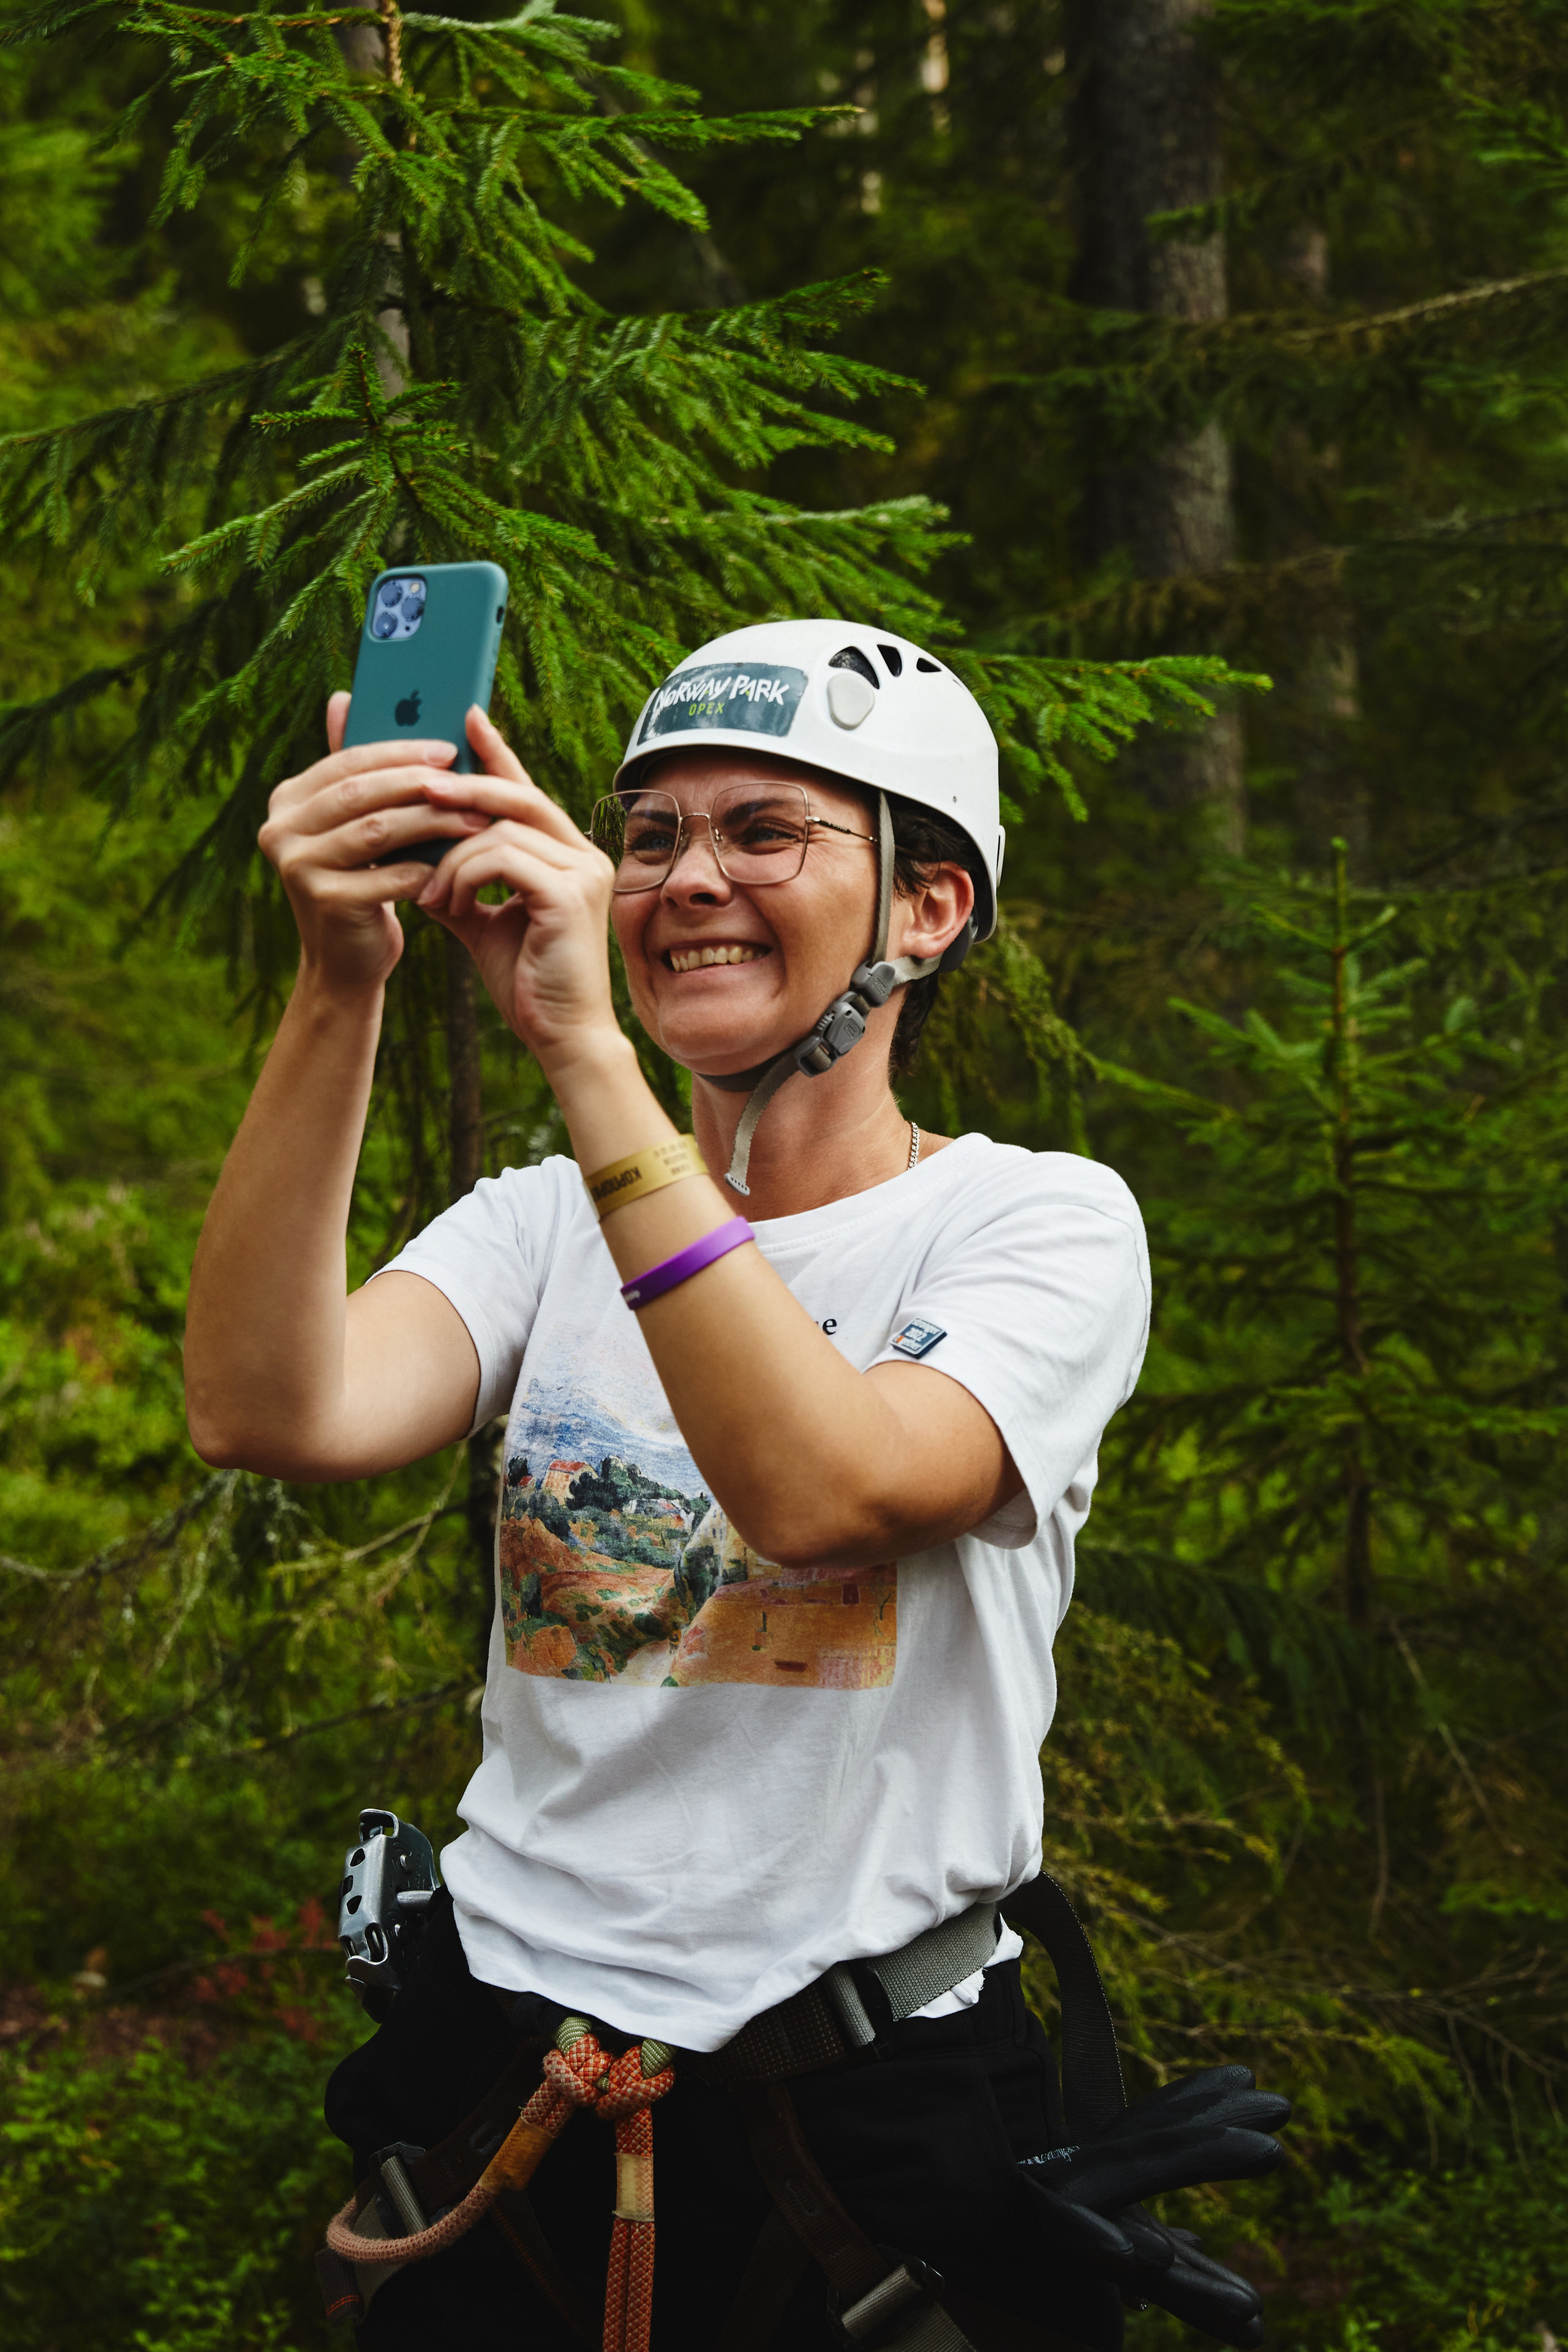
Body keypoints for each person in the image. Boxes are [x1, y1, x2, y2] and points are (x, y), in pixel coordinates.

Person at [185, 620, 1153, 2351]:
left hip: (868, 2111)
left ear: (927, 910)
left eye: (764, 831)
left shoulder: (1033, 1224)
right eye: (648, 838)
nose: (687, 878)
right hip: (503, 2064)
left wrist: (587, 1058)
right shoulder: (534, 1227)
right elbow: (274, 1407)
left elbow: (831, 1487)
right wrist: (342, 978)